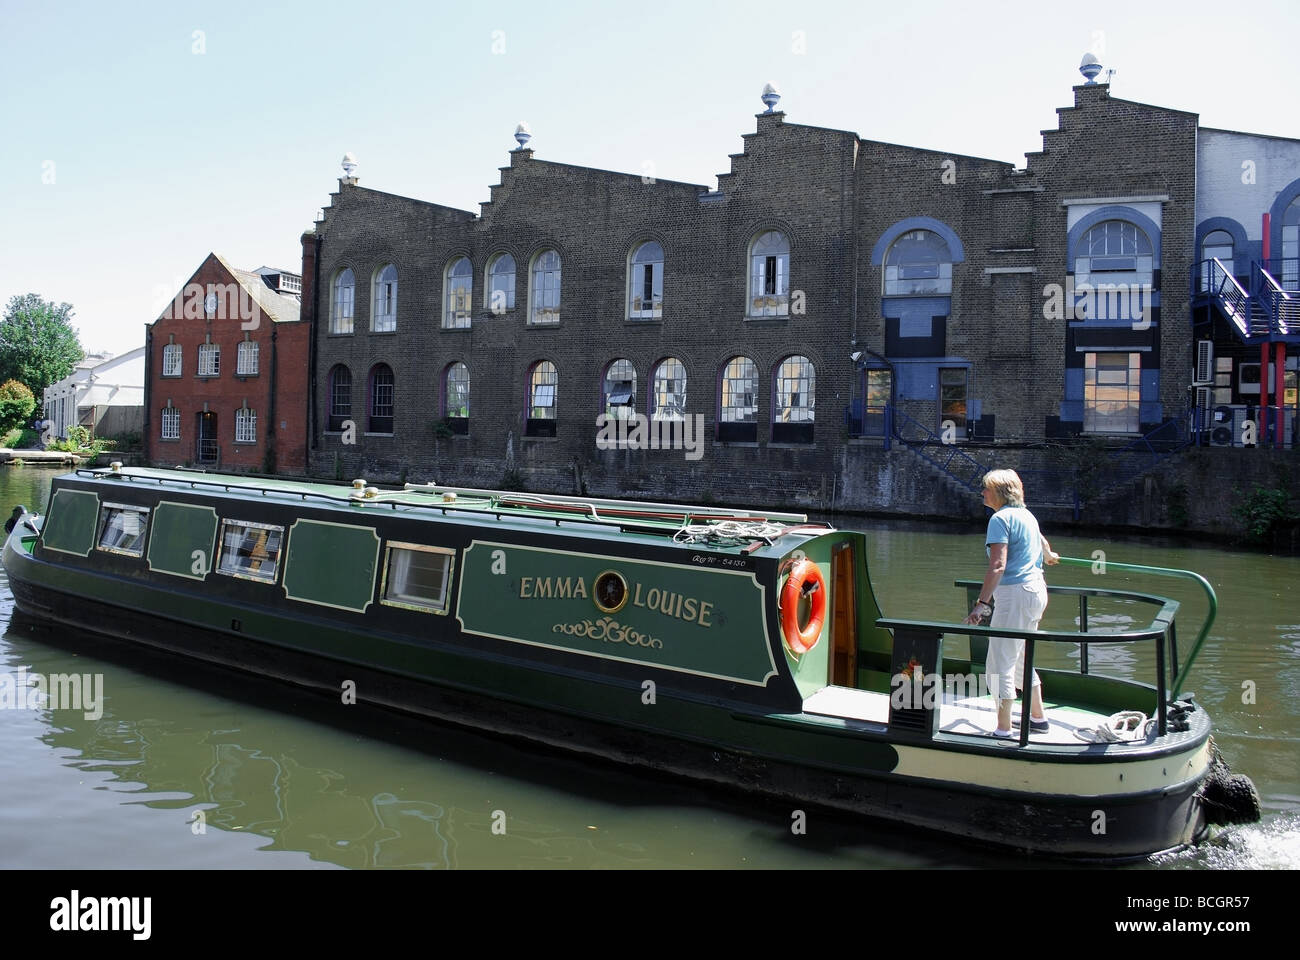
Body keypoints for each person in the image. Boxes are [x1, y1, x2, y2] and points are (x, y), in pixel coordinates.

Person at [963, 469, 1059, 738]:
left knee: (999, 663)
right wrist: (1049, 555)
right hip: (1036, 591)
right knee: (1020, 656)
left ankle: (1003, 730)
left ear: (1000, 493)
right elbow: (1040, 540)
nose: (982, 492)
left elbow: (998, 565)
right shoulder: (1027, 515)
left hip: (1015, 594)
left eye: (986, 489)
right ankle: (1038, 718)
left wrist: (981, 604)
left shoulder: (1000, 518)